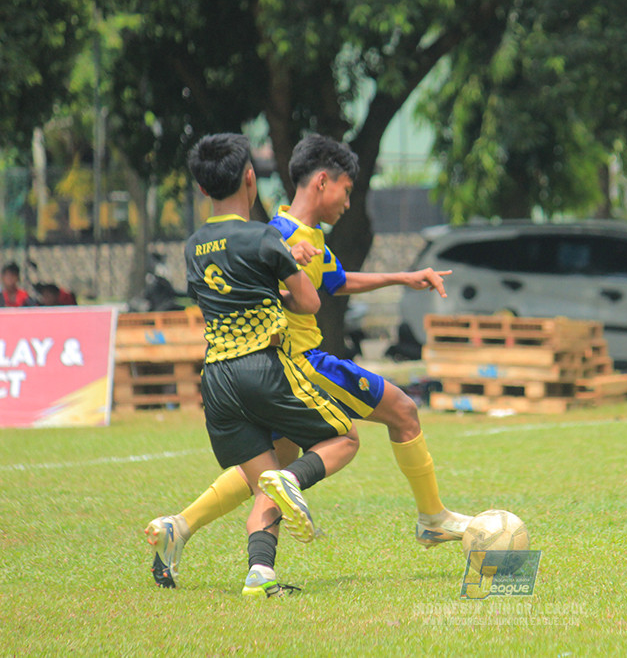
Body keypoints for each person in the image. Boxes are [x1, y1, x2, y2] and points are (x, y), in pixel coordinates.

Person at [145, 134, 472, 590]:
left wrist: (402, 277)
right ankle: (432, 518)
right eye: (347, 189)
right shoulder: (274, 234)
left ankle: (197, 536)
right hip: (297, 361)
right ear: (323, 181)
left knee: (268, 473)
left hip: (231, 374)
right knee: (400, 411)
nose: (348, 201)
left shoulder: (303, 237)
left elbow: (334, 281)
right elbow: (302, 297)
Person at [151, 132, 360, 598]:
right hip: (262, 368)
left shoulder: (192, 247)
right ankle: (293, 480)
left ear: (203, 190)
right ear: (251, 178)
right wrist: (289, 270)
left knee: (264, 482)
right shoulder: (263, 235)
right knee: (343, 438)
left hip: (217, 382)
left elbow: (216, 298)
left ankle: (259, 575)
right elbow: (306, 303)